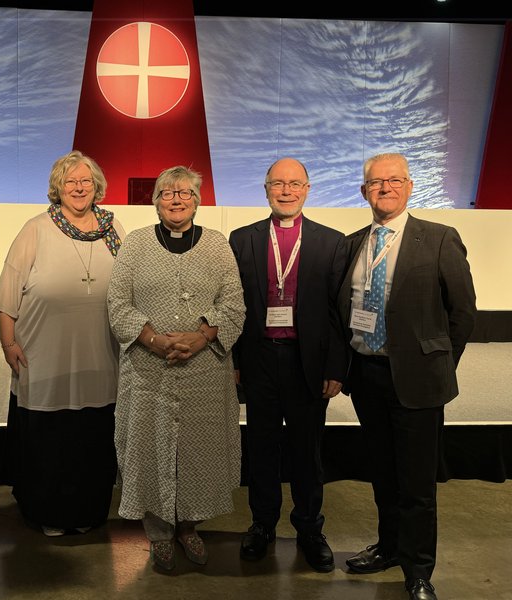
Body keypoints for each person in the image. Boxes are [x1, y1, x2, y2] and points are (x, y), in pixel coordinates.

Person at [337, 153, 477, 600]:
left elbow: (462, 313)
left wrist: (437, 364)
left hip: (418, 381)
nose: (385, 188)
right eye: (376, 182)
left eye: (395, 180)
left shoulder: (438, 239)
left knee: (417, 483)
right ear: (364, 192)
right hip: (368, 376)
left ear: (410, 186)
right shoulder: (352, 243)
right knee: (383, 473)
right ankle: (390, 547)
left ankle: (418, 571)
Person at [107, 165, 245, 571]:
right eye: (167, 192)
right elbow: (118, 302)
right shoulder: (135, 244)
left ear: (198, 200)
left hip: (205, 372)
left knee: (199, 453)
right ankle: (159, 534)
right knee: (150, 449)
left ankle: (189, 526)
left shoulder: (218, 245)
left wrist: (200, 338)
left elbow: (234, 303)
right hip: (148, 371)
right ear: (156, 201)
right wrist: (155, 339)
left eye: (185, 192)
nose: (177, 199)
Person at [0, 150, 125, 536]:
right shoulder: (36, 228)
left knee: (93, 438)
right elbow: (7, 293)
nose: (79, 188)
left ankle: (88, 512)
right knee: (49, 441)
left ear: (97, 186)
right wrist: (7, 343)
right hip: (42, 356)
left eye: (85, 181)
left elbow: (132, 282)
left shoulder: (113, 227)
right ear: (57, 188)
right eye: (70, 181)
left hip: (100, 354)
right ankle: (47, 513)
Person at [227, 157, 348, 573]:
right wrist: (236, 361)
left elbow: (338, 312)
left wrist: (335, 366)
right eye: (278, 183)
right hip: (259, 361)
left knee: (306, 451)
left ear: (307, 189)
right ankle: (261, 525)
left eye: (294, 183)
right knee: (260, 448)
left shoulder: (333, 242)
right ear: (265, 189)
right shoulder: (241, 240)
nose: (286, 190)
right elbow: (235, 306)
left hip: (307, 364)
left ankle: (310, 529)